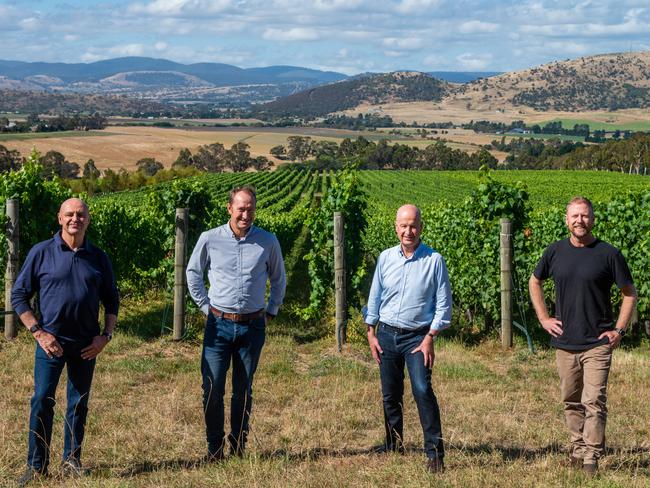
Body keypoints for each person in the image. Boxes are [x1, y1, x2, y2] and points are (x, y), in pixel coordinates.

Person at [11, 198, 119, 486]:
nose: (75, 219)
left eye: (80, 214)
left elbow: (112, 300)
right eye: (69, 214)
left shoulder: (99, 257)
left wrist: (105, 337)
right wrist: (39, 332)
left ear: (88, 219)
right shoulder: (41, 253)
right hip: (51, 343)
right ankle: (36, 466)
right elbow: (19, 295)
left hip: (86, 345)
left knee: (79, 402)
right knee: (41, 400)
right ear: (59, 218)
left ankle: (72, 460)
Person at [529, 196, 637, 476]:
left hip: (597, 343)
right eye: (575, 216)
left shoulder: (608, 254)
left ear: (593, 219)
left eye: (585, 216)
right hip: (565, 343)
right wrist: (543, 318)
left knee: (594, 400)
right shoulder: (554, 252)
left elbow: (629, 294)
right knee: (570, 399)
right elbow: (535, 281)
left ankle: (591, 456)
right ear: (567, 220)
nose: (580, 221)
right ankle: (576, 448)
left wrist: (619, 330)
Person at [186, 185, 286, 461]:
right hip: (218, 325)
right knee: (212, 387)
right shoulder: (210, 239)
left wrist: (271, 311)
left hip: (252, 327)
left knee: (243, 390)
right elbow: (193, 273)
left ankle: (238, 446)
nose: (246, 214)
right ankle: (214, 448)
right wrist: (206, 308)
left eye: (250, 209)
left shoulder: (267, 241)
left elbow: (279, 278)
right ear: (229, 208)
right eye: (241, 208)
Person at [364, 204, 452, 473]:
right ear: (396, 228)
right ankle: (394, 443)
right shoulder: (385, 258)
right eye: (403, 225)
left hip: (418, 338)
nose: (408, 231)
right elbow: (375, 296)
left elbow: (443, 304)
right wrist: (370, 332)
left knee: (422, 391)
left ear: (421, 228)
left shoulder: (434, 260)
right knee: (390, 394)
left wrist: (430, 337)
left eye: (413, 225)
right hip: (387, 334)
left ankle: (434, 453)